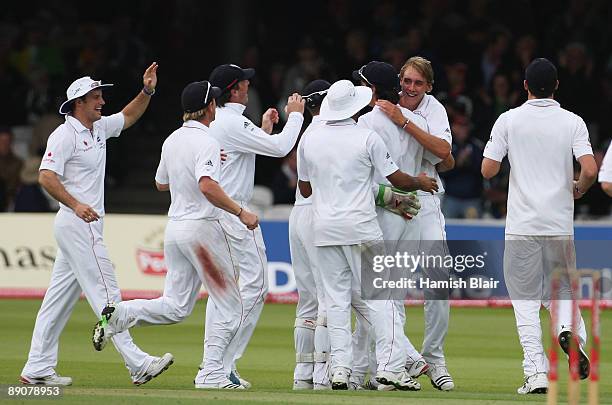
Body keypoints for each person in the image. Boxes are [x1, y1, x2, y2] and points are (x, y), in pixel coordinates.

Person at [92, 81, 259, 389]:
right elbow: (207, 186)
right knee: (231, 305)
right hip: (203, 229)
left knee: (176, 306)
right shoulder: (207, 141)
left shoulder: (172, 139)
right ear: (210, 107)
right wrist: (241, 212)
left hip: (176, 229)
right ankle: (211, 372)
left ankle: (121, 314)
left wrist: (194, 169)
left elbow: (161, 183)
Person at [20, 63, 174, 386]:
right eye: (96, 97)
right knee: (109, 297)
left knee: (57, 301)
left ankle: (37, 367)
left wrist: (147, 90)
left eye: (102, 96)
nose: (102, 102)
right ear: (79, 102)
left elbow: (129, 116)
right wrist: (76, 204)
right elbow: (45, 176)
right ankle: (138, 364)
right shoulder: (63, 135)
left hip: (82, 226)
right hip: (78, 225)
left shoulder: (99, 127)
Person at [298, 79, 438, 391]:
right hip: (361, 226)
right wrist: (420, 182)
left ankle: (339, 370)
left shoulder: (311, 138)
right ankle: (389, 367)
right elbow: (395, 178)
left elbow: (304, 188)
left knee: (335, 302)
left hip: (325, 228)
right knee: (381, 299)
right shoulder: (367, 137)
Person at [482, 58, 597, 394]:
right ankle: (567, 331)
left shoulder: (509, 120)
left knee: (525, 301)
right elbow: (589, 169)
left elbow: (488, 170)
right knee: (561, 293)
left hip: (521, 225)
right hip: (559, 225)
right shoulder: (572, 122)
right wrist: (578, 188)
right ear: (557, 85)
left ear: (525, 86)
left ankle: (535, 374)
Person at [207, 63, 305, 387]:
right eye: (245, 83)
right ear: (234, 89)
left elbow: (248, 151)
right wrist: (296, 116)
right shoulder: (232, 121)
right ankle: (222, 365)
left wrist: (263, 130)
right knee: (256, 286)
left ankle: (215, 367)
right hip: (234, 213)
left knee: (224, 292)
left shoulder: (224, 121)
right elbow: (280, 149)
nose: (250, 86)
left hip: (221, 212)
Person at [377, 56, 455, 391]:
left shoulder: (432, 108)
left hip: (424, 200)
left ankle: (433, 356)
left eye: (417, 83)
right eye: (406, 81)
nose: (410, 88)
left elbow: (446, 154)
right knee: (391, 286)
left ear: (429, 86)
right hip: (394, 198)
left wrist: (405, 122)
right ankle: (399, 361)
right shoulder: (384, 110)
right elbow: (443, 157)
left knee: (440, 280)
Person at [353, 61, 431, 390]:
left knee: (375, 296)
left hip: (380, 211)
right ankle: (374, 371)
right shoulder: (417, 121)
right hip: (410, 214)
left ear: (372, 88)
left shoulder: (365, 123)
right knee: (389, 295)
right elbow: (441, 159)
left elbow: (363, 178)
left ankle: (393, 364)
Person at [290, 79, 331, 390]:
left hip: (298, 214)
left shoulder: (306, 134)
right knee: (329, 299)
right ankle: (321, 375)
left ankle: (302, 375)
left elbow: (302, 186)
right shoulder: (329, 133)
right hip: (319, 214)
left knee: (307, 301)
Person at [0, 127, 24, 211]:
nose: (4, 144)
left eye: (7, 141)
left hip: (10, 199)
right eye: (2, 141)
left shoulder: (18, 162)